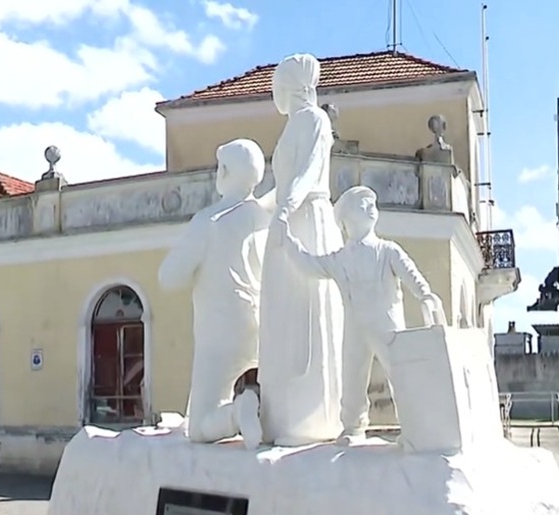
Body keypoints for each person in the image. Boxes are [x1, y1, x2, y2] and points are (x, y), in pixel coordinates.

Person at [272, 186, 444, 445]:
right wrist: (287, 241)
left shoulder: (388, 250)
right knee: (352, 377)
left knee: (400, 373)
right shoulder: (340, 258)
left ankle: (416, 429)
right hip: (355, 327)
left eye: (372, 202)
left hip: (388, 325)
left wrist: (425, 294)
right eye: (362, 204)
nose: (371, 207)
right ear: (347, 218)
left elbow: (410, 273)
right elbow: (309, 264)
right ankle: (352, 427)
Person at [257, 53, 346, 446]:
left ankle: (311, 418)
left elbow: (309, 172)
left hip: (307, 220)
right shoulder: (293, 125)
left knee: (308, 316)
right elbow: (283, 183)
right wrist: (255, 207)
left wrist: (285, 210)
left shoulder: (314, 119)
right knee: (284, 318)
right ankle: (283, 416)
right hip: (289, 217)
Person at [158, 139, 269, 450]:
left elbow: (169, 277)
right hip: (259, 326)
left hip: (220, 331)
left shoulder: (209, 221)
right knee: (262, 391)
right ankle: (250, 406)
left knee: (199, 428)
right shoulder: (266, 220)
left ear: (226, 172)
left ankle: (237, 413)